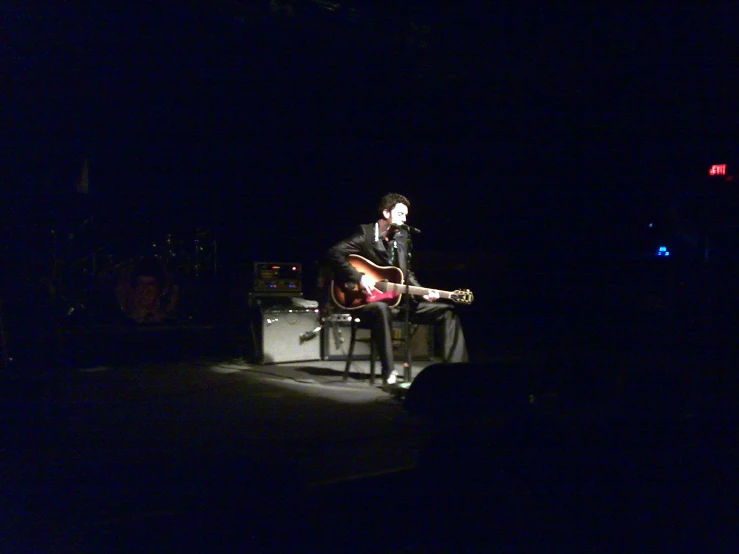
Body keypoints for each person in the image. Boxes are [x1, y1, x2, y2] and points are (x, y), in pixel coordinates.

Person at [325, 192, 468, 386]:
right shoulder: (365, 233)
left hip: (398, 302)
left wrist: (423, 292)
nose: (405, 219)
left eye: (406, 215)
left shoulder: (402, 237)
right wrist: (359, 277)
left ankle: (456, 372)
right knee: (382, 309)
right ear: (386, 213)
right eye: (400, 214)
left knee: (448, 312)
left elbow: (405, 274)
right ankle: (389, 371)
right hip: (367, 303)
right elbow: (334, 254)